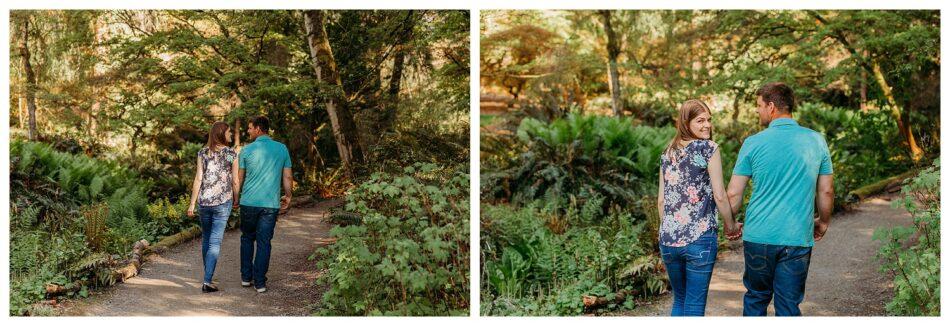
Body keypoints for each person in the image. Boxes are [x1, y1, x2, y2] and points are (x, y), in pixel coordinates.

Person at [726, 82, 834, 316]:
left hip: (758, 236)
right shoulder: (816, 140)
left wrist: (730, 224)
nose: (758, 111)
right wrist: (823, 222)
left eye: (759, 106)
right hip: (796, 237)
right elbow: (825, 191)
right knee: (788, 305)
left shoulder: (753, 143)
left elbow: (733, 194)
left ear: (771, 107)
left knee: (756, 299)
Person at [658, 99, 742, 316]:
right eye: (700, 120)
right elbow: (720, 196)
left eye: (709, 120)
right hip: (700, 238)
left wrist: (670, 229)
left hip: (668, 241)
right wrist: (731, 225)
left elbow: (661, 201)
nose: (707, 125)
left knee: (680, 301)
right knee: (694, 306)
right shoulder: (708, 149)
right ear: (686, 122)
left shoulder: (668, 152)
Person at [235, 116, 292, 293]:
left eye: (250, 128)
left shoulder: (246, 150)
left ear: (259, 129)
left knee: (247, 238)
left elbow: (240, 178)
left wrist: (236, 198)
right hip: (270, 204)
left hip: (248, 203)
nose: (248, 131)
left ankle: (246, 278)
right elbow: (287, 176)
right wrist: (288, 196)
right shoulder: (282, 149)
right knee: (264, 242)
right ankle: (260, 282)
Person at [187, 121, 239, 293]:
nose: (231, 135)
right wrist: (237, 198)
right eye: (229, 132)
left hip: (204, 203)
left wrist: (192, 203)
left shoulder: (202, 153)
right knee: (215, 241)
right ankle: (207, 280)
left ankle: (207, 275)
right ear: (221, 134)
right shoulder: (231, 153)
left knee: (207, 239)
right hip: (223, 203)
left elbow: (198, 179)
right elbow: (235, 180)